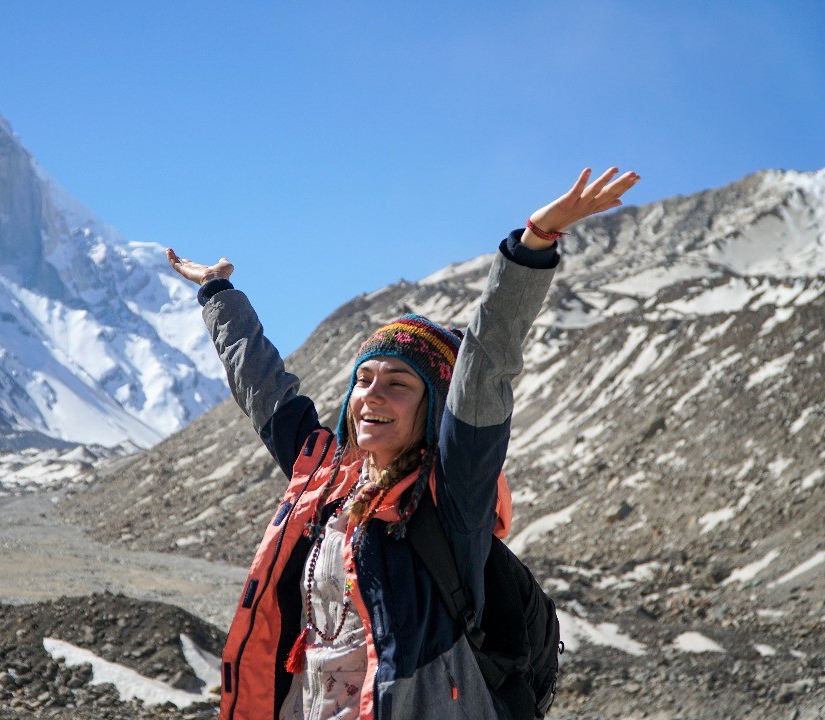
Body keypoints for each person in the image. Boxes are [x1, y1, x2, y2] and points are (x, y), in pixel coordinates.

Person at [167, 167, 640, 720]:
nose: (372, 396)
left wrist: (533, 243)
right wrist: (218, 292)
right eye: (364, 381)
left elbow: (485, 363)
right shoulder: (327, 479)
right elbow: (262, 386)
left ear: (434, 404)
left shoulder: (450, 494)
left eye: (398, 384)